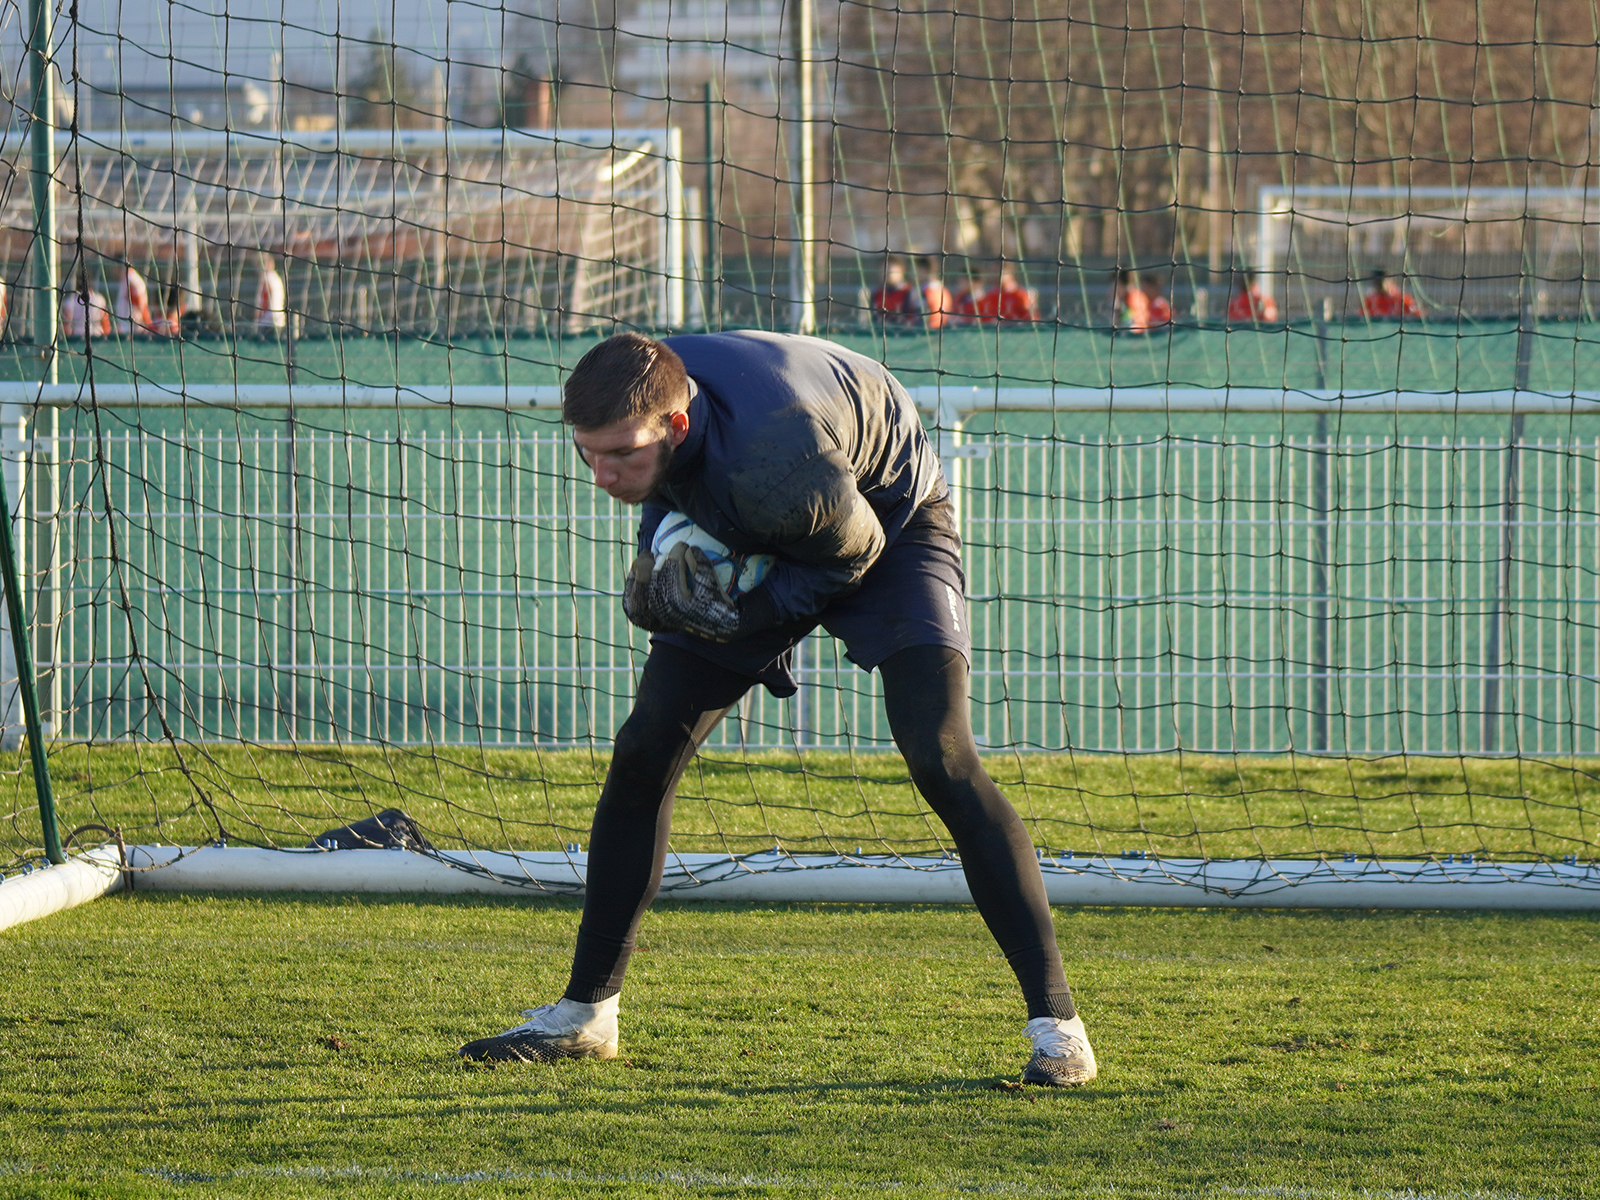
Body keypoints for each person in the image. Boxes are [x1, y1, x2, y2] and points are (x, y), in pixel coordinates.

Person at [458, 330, 1097, 1088]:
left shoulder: (773, 453)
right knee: (644, 750)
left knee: (942, 755)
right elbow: (667, 494)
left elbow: (850, 553)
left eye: (620, 454)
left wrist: (743, 616)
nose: (602, 473)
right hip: (764, 512)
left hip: (886, 522)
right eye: (586, 453)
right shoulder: (648, 398)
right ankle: (587, 1013)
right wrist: (660, 564)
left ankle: (1060, 1029)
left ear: (677, 425)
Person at [869, 257, 922, 326]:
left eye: (889, 271)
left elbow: (915, 319)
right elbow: (874, 318)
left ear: (901, 270)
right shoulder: (877, 293)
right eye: (882, 271)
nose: (885, 274)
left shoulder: (909, 292)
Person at [60, 270, 111, 339]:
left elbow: (67, 327)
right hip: (97, 337)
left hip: (77, 338)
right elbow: (105, 323)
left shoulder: (70, 302)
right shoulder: (100, 300)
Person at [916, 256, 954, 329]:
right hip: (939, 328)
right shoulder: (942, 289)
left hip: (930, 330)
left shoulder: (928, 290)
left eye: (918, 270)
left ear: (924, 270)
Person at [114, 263, 153, 335]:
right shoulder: (126, 279)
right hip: (126, 326)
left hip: (132, 328)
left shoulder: (132, 280)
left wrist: (148, 324)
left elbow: (140, 304)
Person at [255, 254, 287, 335]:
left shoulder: (266, 279)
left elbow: (266, 298)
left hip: (267, 320)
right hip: (279, 318)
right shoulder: (276, 278)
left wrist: (259, 312)